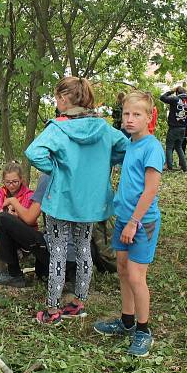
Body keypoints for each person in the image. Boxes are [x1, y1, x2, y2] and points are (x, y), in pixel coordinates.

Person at [25, 77, 128, 324]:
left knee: (58, 250)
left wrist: (57, 170)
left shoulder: (58, 128)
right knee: (83, 248)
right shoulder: (103, 128)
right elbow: (125, 147)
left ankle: (52, 310)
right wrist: (102, 163)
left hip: (62, 200)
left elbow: (33, 152)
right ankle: (79, 304)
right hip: (90, 201)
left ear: (62, 99)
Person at [93, 91, 164, 357]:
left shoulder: (152, 147)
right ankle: (126, 320)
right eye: (126, 114)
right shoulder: (130, 143)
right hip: (124, 218)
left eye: (136, 115)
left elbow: (150, 190)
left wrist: (134, 222)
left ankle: (143, 331)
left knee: (136, 276)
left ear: (148, 117)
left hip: (141, 222)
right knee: (122, 269)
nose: (130, 119)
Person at [0, 162, 48, 287]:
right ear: (3, 181)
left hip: (24, 230)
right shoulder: (0, 193)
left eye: (15, 182)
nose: (11, 185)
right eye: (8, 182)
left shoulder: (29, 195)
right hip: (3, 225)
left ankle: (15, 270)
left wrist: (10, 215)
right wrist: (0, 225)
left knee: (4, 220)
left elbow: (27, 218)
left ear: (21, 180)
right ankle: (5, 246)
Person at [159, 86, 187, 172]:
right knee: (179, 147)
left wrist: (171, 91)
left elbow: (162, 98)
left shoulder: (175, 100)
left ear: (177, 93)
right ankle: (184, 167)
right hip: (183, 129)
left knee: (169, 147)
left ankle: (169, 166)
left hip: (173, 127)